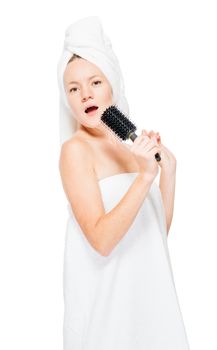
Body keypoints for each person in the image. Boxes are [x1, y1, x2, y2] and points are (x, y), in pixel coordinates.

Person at [57, 16, 190, 350]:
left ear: (112, 84)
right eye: (74, 88)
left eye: (95, 82)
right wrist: (145, 178)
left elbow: (152, 237)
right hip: (110, 319)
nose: (85, 94)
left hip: (151, 308)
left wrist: (167, 175)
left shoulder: (128, 144)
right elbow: (102, 240)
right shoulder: (75, 152)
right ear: (67, 98)